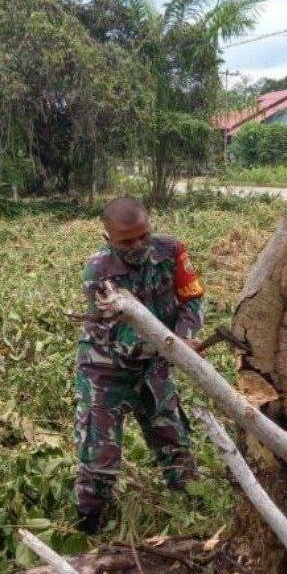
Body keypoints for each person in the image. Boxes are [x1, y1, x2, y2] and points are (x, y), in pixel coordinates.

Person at [74, 196, 205, 535]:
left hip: (156, 366)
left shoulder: (172, 252)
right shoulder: (98, 272)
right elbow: (123, 335)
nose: (138, 245)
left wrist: (185, 336)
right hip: (106, 370)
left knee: (175, 447)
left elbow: (192, 298)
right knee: (99, 460)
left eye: (143, 235)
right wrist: (173, 349)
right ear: (108, 239)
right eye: (126, 241)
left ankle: (197, 523)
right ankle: (88, 530)